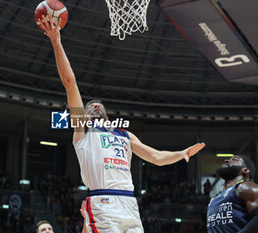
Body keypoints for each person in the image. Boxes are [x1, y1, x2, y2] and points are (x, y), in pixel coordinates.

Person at [40, 15, 205, 233]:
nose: (96, 106)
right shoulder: (83, 131)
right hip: (103, 202)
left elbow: (155, 157)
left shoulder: (125, 135)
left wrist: (181, 153)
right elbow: (70, 82)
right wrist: (56, 41)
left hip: (130, 204)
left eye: (99, 106)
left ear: (107, 116)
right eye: (91, 107)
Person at [207, 155, 258, 233]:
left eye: (234, 159)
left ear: (246, 170)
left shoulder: (246, 187)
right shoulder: (213, 200)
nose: (226, 161)